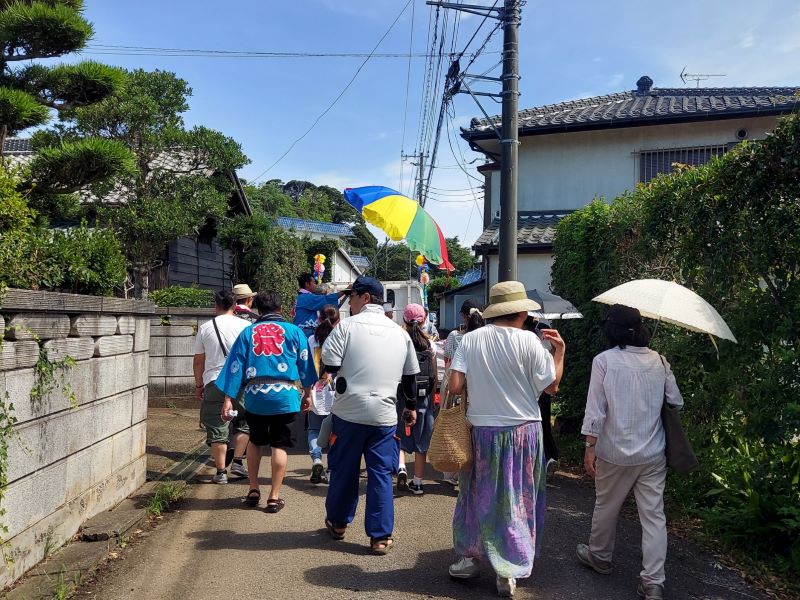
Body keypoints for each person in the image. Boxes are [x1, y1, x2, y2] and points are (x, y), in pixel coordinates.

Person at [447, 280, 565, 598]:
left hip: (482, 431)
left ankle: (469, 559)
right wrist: (561, 352)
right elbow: (551, 386)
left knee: (474, 495)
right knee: (517, 497)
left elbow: (455, 386)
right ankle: (508, 570)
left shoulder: (470, 340)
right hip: (525, 431)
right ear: (523, 311)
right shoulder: (531, 343)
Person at [576, 304, 683, 600]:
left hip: (613, 450)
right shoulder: (660, 361)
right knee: (653, 516)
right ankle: (653, 582)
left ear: (611, 330)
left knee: (606, 505)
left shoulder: (604, 361)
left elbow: (595, 410)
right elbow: (676, 400)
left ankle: (599, 556)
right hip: (653, 452)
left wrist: (590, 447)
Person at [321, 275, 420, 555]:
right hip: (385, 416)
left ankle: (338, 523)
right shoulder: (399, 333)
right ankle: (380, 537)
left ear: (365, 297)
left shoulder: (346, 328)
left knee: (344, 470)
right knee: (379, 475)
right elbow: (411, 376)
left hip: (348, 412)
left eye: (352, 296)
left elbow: (330, 364)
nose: (349, 301)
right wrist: (410, 407)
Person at [216, 291, 317, 513]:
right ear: (280, 309)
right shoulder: (295, 332)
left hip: (255, 396)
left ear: (257, 310)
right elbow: (306, 365)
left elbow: (235, 368)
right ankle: (274, 496)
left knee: (256, 442)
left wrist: (228, 400)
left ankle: (253, 489)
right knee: (279, 445)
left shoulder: (248, 333)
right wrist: (308, 393)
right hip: (286, 395)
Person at [193, 290, 251, 483]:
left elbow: (199, 361)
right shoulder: (246, 326)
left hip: (214, 381)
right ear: (235, 305)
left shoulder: (206, 327)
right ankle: (238, 462)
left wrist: (199, 384)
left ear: (215, 305)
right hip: (241, 381)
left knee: (217, 425)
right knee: (244, 422)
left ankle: (220, 473)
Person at [440, 299, 485, 486]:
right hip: (478, 388)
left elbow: (448, 362)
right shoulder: (485, 337)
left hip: (457, 386)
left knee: (453, 427)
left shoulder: (456, 336)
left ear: (464, 316)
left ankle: (450, 471)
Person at [396, 303, 437, 495]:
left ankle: (401, 466)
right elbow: (434, 375)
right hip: (424, 399)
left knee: (399, 434)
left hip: (402, 396)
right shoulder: (430, 344)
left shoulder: (399, 340)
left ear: (404, 319)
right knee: (422, 441)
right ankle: (418, 482)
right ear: (424, 321)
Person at [306, 305, 340, 485]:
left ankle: (317, 459)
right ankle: (331, 469)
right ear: (338, 320)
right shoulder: (340, 338)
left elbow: (305, 366)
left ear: (318, 319)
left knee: (314, 429)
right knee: (335, 432)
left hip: (315, 390)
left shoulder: (311, 339)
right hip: (335, 391)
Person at [523, 316, 560, 474]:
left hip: (529, 390)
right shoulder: (543, 338)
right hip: (544, 386)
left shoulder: (525, 340)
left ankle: (540, 461)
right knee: (544, 424)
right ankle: (550, 457)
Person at [293, 273, 346, 337]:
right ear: (307, 284)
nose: (316, 285)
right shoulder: (306, 297)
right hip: (306, 332)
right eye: (314, 283)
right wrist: (345, 291)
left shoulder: (301, 297)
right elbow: (325, 300)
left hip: (303, 330)